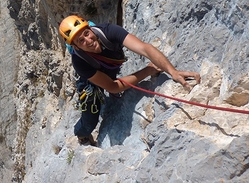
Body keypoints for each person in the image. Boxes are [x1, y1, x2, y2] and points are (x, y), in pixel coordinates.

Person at [59, 15, 200, 146]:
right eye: (81, 41)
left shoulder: (109, 31)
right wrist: (147, 71)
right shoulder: (80, 62)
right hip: (91, 77)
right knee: (90, 119)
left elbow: (145, 49)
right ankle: (81, 133)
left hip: (108, 67)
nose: (88, 40)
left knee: (110, 74)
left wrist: (172, 72)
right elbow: (113, 87)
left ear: (90, 29)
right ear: (76, 47)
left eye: (86, 33)